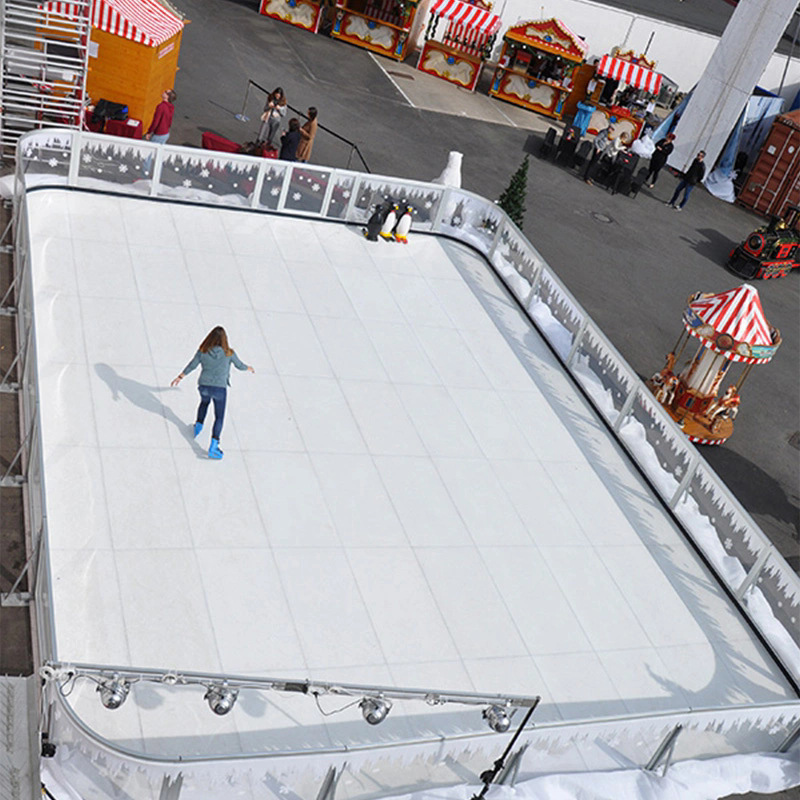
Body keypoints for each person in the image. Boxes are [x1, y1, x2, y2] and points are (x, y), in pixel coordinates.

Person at [171, 326, 254, 460]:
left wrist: (180, 377)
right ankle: (214, 446)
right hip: (219, 389)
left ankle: (198, 426)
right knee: (219, 417)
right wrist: (248, 368)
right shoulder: (229, 353)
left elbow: (192, 365)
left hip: (204, 386)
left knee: (204, 403)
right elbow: (239, 366)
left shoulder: (203, 351)